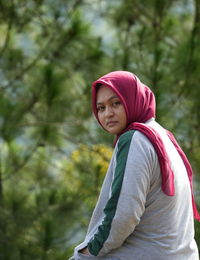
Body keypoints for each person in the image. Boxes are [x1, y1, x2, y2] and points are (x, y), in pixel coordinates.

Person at [69, 71, 200, 260]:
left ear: (132, 100)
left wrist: (87, 252)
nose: (108, 114)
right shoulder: (161, 135)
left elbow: (122, 216)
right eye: (101, 108)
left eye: (116, 103)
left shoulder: (134, 140)